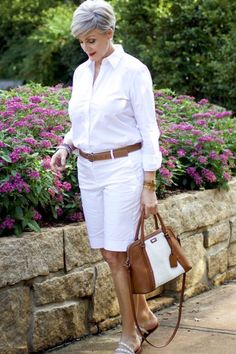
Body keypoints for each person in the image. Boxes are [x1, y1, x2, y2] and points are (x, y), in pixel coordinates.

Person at [50, 1, 162, 353]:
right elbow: (82, 122)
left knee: (117, 254)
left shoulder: (133, 71)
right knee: (106, 250)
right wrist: (65, 145)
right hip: (88, 169)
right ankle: (143, 312)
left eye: (93, 40)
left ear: (110, 33)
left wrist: (149, 185)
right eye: (82, 41)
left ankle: (130, 335)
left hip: (123, 170)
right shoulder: (82, 73)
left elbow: (149, 129)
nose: (87, 48)